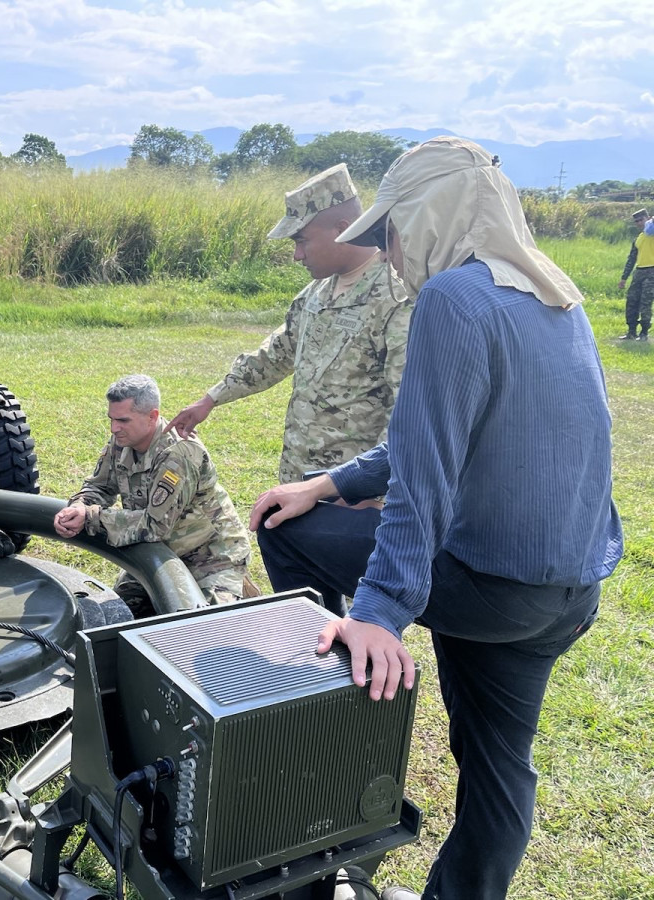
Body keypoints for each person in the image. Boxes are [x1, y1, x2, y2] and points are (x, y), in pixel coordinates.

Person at [250, 137, 622, 900]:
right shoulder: (556, 295)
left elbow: (422, 485)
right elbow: (435, 434)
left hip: (486, 582)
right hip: (563, 597)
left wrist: (381, 613)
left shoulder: (454, 298)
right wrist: (329, 481)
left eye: (391, 230)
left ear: (429, 217)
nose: (387, 250)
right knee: (499, 770)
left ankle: (332, 708)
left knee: (281, 530)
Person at [169, 163, 411, 484]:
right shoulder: (317, 293)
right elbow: (276, 354)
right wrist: (211, 399)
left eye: (302, 240)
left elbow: (405, 411)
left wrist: (372, 491)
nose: (297, 255)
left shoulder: (396, 295)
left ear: (342, 228)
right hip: (298, 480)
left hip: (352, 493)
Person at [53, 374, 251, 616]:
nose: (114, 428)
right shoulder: (122, 440)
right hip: (155, 553)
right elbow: (100, 487)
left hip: (211, 558)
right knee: (119, 617)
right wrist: (80, 506)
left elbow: (154, 526)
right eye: (112, 419)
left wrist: (92, 518)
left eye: (123, 420)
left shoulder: (179, 454)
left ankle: (242, 595)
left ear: (152, 416)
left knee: (207, 630)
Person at [617, 207, 653, 341]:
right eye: (636, 221)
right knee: (632, 301)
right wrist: (623, 278)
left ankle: (644, 333)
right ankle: (631, 331)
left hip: (652, 272)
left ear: (647, 219)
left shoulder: (652, 233)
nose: (639, 223)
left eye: (641, 220)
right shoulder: (638, 239)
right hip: (639, 272)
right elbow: (631, 259)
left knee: (645, 303)